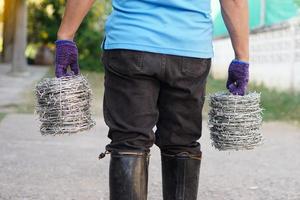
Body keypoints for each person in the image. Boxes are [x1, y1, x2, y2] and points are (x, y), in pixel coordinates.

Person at [55, 0, 249, 199]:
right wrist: (241, 58)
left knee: (129, 142)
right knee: (182, 142)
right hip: (190, 47)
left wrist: (66, 36)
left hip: (130, 43)